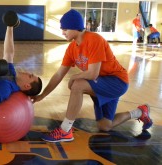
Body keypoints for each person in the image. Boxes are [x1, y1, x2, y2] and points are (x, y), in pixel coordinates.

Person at [32, 9, 153, 143]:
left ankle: (65, 130)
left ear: (75, 27)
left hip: (117, 82)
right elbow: (59, 74)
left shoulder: (94, 39)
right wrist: (42, 96)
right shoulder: (72, 48)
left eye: (65, 29)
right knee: (105, 125)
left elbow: (92, 73)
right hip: (101, 83)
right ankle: (140, 112)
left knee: (77, 84)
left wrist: (73, 78)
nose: (62, 32)